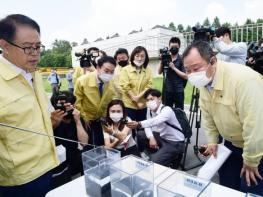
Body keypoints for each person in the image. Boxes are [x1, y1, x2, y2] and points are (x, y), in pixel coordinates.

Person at [182, 41, 263, 195]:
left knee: (251, 189)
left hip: (257, 148)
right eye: (187, 70)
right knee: (226, 187)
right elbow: (207, 116)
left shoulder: (243, 80)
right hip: (231, 145)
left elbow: (256, 125)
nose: (192, 74)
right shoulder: (205, 82)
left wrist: (252, 161)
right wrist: (213, 141)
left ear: (213, 61)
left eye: (196, 68)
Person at [0, 14, 59, 197]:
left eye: (38, 47)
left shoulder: (34, 74)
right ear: (5, 45)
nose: (35, 53)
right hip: (20, 179)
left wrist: (52, 122)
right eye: (27, 48)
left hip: (49, 163)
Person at [127, 89, 185, 167]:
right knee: (141, 134)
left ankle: (174, 157)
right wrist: (151, 138)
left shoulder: (167, 109)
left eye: (152, 99)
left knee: (154, 163)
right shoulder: (150, 110)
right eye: (147, 100)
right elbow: (148, 125)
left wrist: (138, 124)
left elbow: (156, 121)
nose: (149, 102)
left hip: (175, 142)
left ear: (159, 99)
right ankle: (154, 153)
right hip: (163, 137)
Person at [74, 56, 117, 146]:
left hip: (100, 119)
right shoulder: (82, 81)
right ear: (98, 67)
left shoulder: (111, 82)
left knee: (100, 142)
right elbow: (77, 101)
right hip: (86, 118)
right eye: (106, 71)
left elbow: (108, 101)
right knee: (87, 143)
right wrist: (84, 118)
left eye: (112, 72)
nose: (109, 74)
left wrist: (105, 117)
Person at [50, 91, 89, 189]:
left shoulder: (76, 118)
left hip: (74, 160)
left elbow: (84, 143)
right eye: (61, 104)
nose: (64, 108)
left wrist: (78, 121)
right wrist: (53, 124)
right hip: (58, 166)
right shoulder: (50, 120)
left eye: (67, 104)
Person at [119, 46, 153, 123]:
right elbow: (125, 86)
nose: (139, 58)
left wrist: (138, 97)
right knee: (129, 127)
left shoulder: (148, 71)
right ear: (133, 56)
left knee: (141, 127)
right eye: (137, 56)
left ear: (146, 57)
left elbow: (149, 86)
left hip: (142, 105)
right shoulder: (125, 70)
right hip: (129, 105)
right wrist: (134, 98)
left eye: (142, 56)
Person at [158, 37, 187, 110]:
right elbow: (159, 72)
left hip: (179, 90)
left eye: (176, 47)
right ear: (169, 47)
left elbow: (186, 76)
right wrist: (162, 60)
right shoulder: (166, 57)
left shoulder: (182, 59)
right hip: (168, 90)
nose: (174, 49)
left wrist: (174, 68)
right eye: (172, 47)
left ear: (179, 47)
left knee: (179, 113)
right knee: (167, 112)